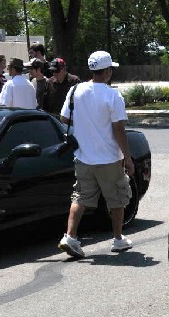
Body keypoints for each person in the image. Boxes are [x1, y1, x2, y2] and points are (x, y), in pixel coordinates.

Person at [57, 51, 135, 258]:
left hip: (83, 156)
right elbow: (119, 128)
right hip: (109, 158)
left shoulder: (75, 90)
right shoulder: (112, 95)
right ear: (108, 71)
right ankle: (118, 239)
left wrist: (86, 124)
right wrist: (127, 158)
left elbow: (64, 118)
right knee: (117, 199)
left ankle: (70, 237)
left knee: (80, 196)